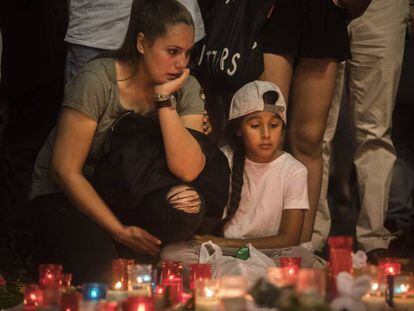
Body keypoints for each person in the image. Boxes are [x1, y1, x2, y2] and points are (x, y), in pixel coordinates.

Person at [28, 0, 211, 284]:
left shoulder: (184, 88)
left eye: (187, 53)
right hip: (67, 195)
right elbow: (64, 171)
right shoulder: (98, 79)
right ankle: (43, 251)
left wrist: (164, 100)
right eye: (172, 52)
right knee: (104, 275)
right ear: (141, 43)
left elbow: (187, 170)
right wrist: (119, 231)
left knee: (186, 208)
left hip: (126, 192)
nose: (181, 64)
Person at [161, 81, 312, 265]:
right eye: (255, 125)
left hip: (268, 252)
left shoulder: (294, 170)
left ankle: (236, 274)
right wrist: (219, 245)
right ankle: (248, 275)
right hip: (224, 252)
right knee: (172, 254)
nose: (266, 134)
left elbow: (289, 239)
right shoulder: (225, 158)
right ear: (239, 129)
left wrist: (226, 243)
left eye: (274, 125)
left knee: (301, 256)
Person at [313, 0, 409, 262]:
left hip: (382, 6)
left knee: (375, 132)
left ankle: (374, 238)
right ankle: (310, 234)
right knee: (316, 131)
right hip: (322, 7)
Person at [258, 0, 352, 245]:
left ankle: (301, 248)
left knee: (309, 139)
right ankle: (263, 241)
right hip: (275, 12)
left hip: (321, 13)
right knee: (269, 130)